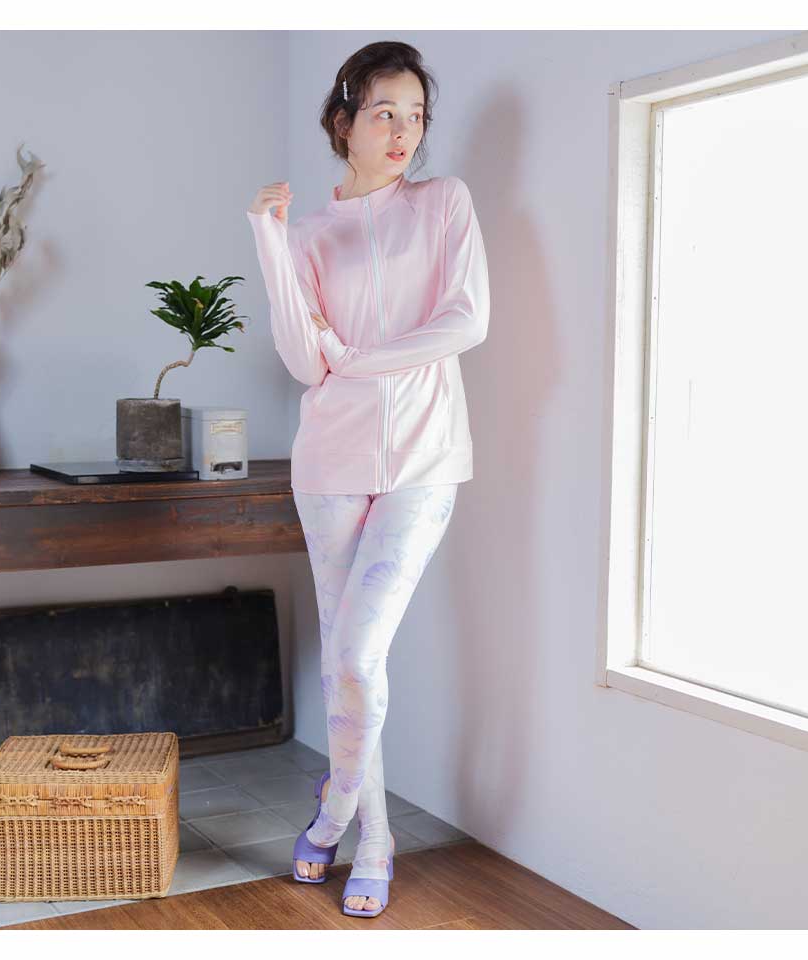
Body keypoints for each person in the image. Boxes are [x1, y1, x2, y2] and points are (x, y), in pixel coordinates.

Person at [245, 40, 490, 919]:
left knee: (355, 654)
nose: (402, 132)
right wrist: (268, 240)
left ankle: (335, 813)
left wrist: (358, 358)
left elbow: (466, 320)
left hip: (425, 461)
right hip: (330, 467)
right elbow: (301, 359)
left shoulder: (444, 203)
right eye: (385, 112)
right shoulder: (309, 234)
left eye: (415, 116)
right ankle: (376, 840)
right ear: (343, 121)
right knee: (353, 669)